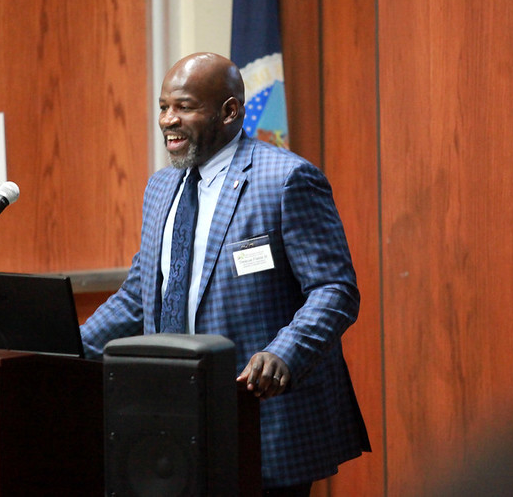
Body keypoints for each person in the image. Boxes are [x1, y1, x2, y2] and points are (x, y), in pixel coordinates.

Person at [81, 52, 370, 495]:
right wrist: (68, 345)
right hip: (173, 418)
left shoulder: (286, 179)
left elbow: (335, 289)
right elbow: (139, 296)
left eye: (184, 106)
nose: (168, 120)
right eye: (163, 107)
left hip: (260, 416)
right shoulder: (160, 188)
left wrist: (284, 355)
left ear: (230, 111)